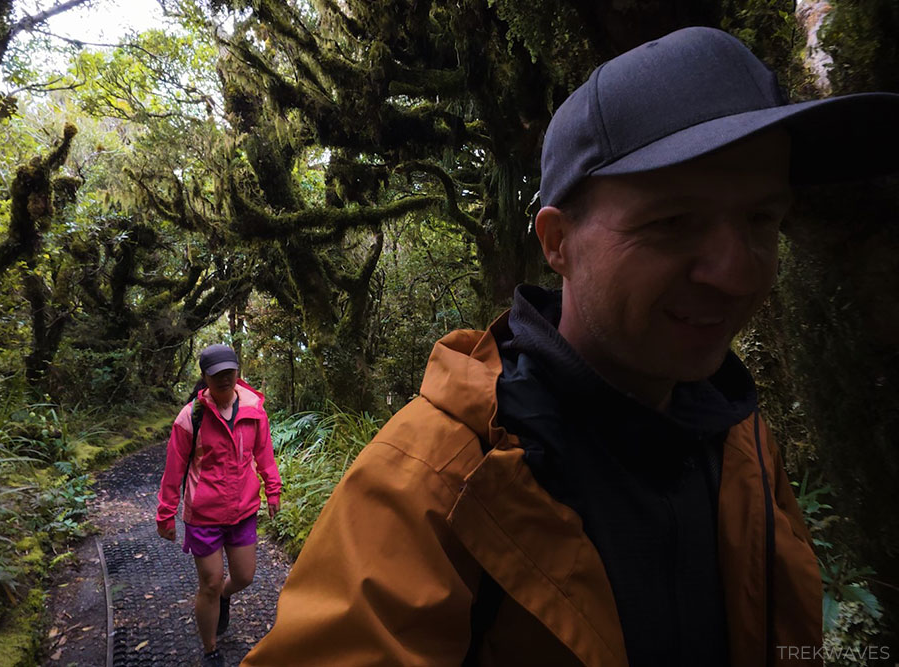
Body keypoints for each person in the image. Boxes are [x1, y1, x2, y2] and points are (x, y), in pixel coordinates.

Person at [243, 27, 899, 666]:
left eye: (762, 218)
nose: (735, 272)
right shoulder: (436, 488)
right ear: (558, 243)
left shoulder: (744, 447)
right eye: (673, 223)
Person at [156, 343, 282, 667]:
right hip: (204, 514)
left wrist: (273, 490)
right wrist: (165, 513)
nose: (225, 380)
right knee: (210, 582)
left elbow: (264, 454)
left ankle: (225, 597)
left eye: (230, 373)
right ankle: (210, 648)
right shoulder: (190, 418)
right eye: (217, 375)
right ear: (205, 378)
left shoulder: (254, 410)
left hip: (242, 511)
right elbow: (174, 469)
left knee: (245, 576)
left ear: (237, 372)